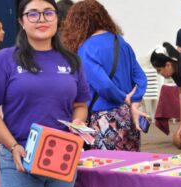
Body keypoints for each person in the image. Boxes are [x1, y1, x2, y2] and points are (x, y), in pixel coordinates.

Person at [0, 0, 90, 187]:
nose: (41, 19)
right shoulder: (5, 59)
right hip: (19, 158)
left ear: (57, 18)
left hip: (61, 157)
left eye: (48, 13)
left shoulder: (71, 61)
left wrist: (78, 122)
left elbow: (80, 105)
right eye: (33, 14)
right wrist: (12, 146)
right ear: (21, 21)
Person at [61, 0, 147, 151]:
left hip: (104, 120)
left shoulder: (85, 49)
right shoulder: (121, 42)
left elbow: (104, 85)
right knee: (128, 166)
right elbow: (141, 78)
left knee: (106, 169)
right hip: (129, 116)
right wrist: (133, 100)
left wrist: (122, 98)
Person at [150, 42, 181, 149]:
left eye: (159, 70)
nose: (159, 74)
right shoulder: (176, 68)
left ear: (168, 65)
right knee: (179, 140)